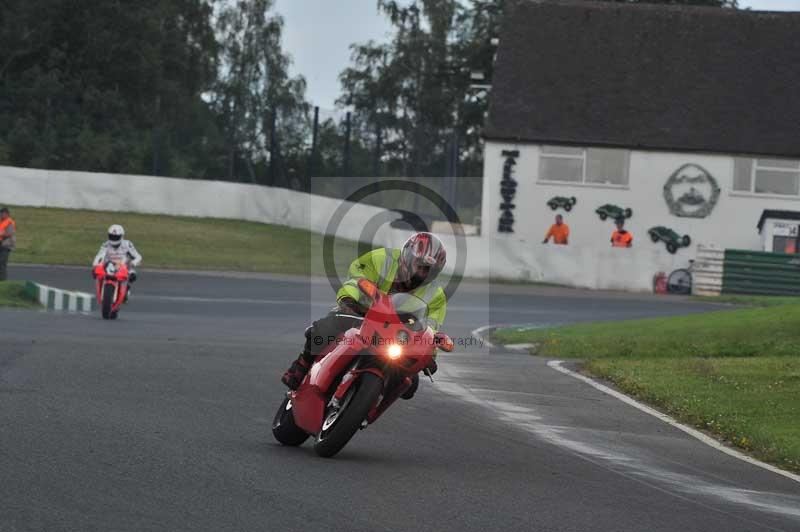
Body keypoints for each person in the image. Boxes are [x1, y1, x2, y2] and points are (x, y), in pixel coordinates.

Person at [282, 232, 448, 400]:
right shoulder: (382, 259)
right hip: (359, 313)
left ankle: (368, 404)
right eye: (419, 265)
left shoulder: (436, 295)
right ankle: (300, 366)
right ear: (408, 257)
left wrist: (429, 356)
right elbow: (357, 278)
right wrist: (349, 300)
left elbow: (430, 329)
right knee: (324, 330)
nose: (422, 273)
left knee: (408, 384)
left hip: (396, 336)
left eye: (428, 270)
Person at [92, 224, 142, 299]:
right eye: (112, 236)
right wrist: (95, 264)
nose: (114, 239)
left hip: (123, 266)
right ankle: (101, 290)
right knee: (95, 273)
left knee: (133, 275)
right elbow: (99, 255)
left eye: (116, 237)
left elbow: (138, 257)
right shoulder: (105, 245)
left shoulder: (127, 244)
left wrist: (133, 263)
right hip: (108, 266)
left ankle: (126, 289)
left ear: (121, 236)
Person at [0, 207, 17, 282]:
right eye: (1, 214)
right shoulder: (2, 222)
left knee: (2, 262)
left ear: (7, 214)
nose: (1, 215)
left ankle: (3, 280)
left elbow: (9, 234)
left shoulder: (10, 222)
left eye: (3, 214)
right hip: (1, 244)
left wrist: (2, 234)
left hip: (6, 245)